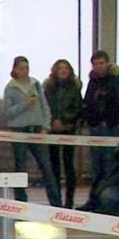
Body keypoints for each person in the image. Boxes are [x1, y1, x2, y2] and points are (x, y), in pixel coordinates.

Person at [1, 56, 62, 207]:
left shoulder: (35, 84)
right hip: (19, 131)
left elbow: (44, 106)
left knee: (46, 168)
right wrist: (25, 104)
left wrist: (46, 126)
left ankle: (56, 204)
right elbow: (7, 113)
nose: (25, 71)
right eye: (21, 68)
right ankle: (21, 204)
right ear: (15, 70)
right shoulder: (11, 87)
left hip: (37, 130)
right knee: (20, 168)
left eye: (27, 68)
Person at [76, 50, 119, 211]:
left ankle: (107, 203)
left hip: (111, 130)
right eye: (95, 64)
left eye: (101, 63)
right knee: (97, 168)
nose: (99, 66)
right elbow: (88, 103)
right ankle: (94, 200)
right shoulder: (92, 83)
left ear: (107, 63)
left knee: (109, 168)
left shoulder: (117, 81)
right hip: (95, 129)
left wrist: (110, 120)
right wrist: (89, 120)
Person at [43, 59, 82, 209]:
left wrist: (65, 121)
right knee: (54, 166)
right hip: (52, 130)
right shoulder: (48, 88)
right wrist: (53, 121)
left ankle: (69, 201)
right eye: (60, 68)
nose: (63, 70)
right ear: (55, 70)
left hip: (69, 129)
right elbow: (45, 107)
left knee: (68, 165)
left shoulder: (75, 88)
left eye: (66, 68)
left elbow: (78, 108)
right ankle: (56, 201)